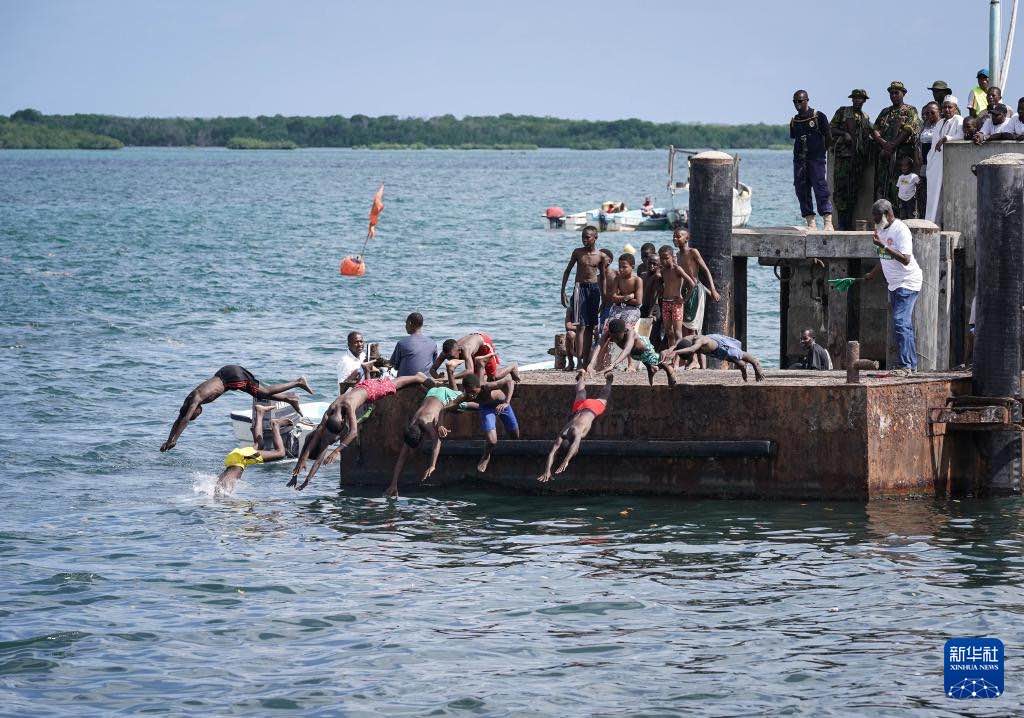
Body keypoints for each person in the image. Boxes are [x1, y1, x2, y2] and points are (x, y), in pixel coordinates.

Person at [289, 372, 432, 490]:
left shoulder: (347, 405)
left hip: (370, 390)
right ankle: (413, 377)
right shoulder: (330, 411)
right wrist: (301, 465)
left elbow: (353, 433)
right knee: (392, 383)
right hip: (361, 386)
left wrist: (336, 451)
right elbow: (316, 436)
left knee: (393, 384)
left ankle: (417, 377)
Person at [160, 366, 311, 452]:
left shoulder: (195, 400)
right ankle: (289, 399)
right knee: (257, 393)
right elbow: (179, 419)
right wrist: (168, 440)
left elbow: (185, 420)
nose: (197, 415)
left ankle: (298, 382)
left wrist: (175, 440)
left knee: (262, 393)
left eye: (196, 415)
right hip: (225, 373)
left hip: (231, 379)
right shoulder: (188, 402)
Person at [859, 199, 922, 374]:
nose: (875, 221)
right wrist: (872, 273)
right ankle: (910, 364)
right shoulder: (881, 229)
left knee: (900, 322)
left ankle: (906, 365)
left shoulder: (901, 230)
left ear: (887, 214)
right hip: (894, 284)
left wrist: (883, 245)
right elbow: (884, 257)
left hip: (907, 281)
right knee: (903, 324)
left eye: (878, 217)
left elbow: (905, 259)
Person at [386, 379, 473, 497]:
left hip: (443, 394)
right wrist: (393, 484)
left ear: (421, 435)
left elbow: (437, 442)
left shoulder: (424, 422)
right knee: (455, 400)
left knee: (466, 405)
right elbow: (402, 457)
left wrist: (432, 465)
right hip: (432, 392)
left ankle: (491, 403)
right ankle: (451, 377)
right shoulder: (412, 428)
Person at [538, 370, 613, 483]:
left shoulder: (575, 432)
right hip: (579, 408)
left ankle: (609, 382)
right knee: (580, 393)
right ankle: (581, 377)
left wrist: (566, 460)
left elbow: (574, 447)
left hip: (592, 409)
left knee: (603, 398)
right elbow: (552, 452)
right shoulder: (563, 433)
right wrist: (547, 470)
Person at [560, 225, 608, 366]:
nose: (584, 240)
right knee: (580, 326)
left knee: (590, 327)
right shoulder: (577, 252)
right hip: (578, 288)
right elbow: (567, 271)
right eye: (583, 237)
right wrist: (562, 291)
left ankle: (586, 360)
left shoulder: (600, 256)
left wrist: (604, 298)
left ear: (595, 237)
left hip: (593, 289)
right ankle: (579, 361)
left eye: (587, 237)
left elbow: (603, 278)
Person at [217, 407, 293, 495]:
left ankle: (275, 425)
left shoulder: (225, 489)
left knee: (280, 453)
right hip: (233, 458)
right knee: (258, 445)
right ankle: (259, 412)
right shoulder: (220, 486)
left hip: (241, 459)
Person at [830, 89, 875, 230]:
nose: (857, 100)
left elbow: (872, 133)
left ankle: (848, 224)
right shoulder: (843, 112)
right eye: (855, 98)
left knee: (853, 193)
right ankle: (842, 225)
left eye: (860, 98)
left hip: (858, 161)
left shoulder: (865, 117)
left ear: (864, 100)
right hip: (843, 159)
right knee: (840, 191)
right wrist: (844, 134)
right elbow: (831, 129)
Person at [871, 81, 921, 206]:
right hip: (885, 154)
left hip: (901, 156)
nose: (893, 95)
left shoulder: (910, 110)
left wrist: (893, 145)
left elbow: (909, 129)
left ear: (903, 93)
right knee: (883, 186)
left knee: (899, 189)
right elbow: (875, 129)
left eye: (896, 93)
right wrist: (884, 143)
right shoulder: (885, 112)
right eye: (891, 93)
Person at [790, 90, 834, 230]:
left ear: (807, 100)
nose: (797, 104)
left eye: (800, 101)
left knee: (820, 187)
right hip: (800, 160)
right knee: (801, 189)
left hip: (816, 159)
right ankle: (811, 221)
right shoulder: (794, 121)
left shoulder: (819, 116)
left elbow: (828, 137)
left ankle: (827, 221)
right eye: (795, 101)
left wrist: (821, 152)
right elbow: (794, 138)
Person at [460, 373, 519, 474]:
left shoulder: (487, 387)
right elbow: (452, 403)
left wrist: (507, 402)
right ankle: (486, 456)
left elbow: (509, 380)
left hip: (502, 405)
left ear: (479, 387)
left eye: (473, 392)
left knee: (515, 435)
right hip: (486, 408)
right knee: (492, 441)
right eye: (468, 392)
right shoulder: (467, 394)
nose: (472, 395)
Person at [587, 318, 674, 385]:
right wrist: (591, 364)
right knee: (648, 365)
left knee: (658, 362)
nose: (614, 339)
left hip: (644, 349)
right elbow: (599, 346)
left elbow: (627, 350)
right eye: (613, 337)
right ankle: (650, 369)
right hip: (635, 354)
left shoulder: (630, 332)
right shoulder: (608, 333)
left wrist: (613, 365)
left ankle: (669, 369)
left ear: (624, 332)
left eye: (617, 337)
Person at [673, 228, 720, 353]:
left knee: (693, 326)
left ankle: (695, 358)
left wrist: (713, 289)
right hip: (684, 292)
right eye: (674, 236)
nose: (675, 239)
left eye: (678, 237)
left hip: (696, 291)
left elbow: (705, 270)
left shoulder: (693, 252)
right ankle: (688, 356)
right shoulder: (676, 256)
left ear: (686, 239)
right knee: (684, 325)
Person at [661, 335, 766, 383]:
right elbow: (673, 347)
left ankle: (755, 363)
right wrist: (665, 352)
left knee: (738, 354)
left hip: (720, 346)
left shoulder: (699, 342)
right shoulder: (683, 341)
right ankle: (743, 368)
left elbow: (692, 349)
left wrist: (675, 352)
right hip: (714, 351)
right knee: (734, 360)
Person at [926, 97, 965, 223]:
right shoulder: (940, 122)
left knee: (943, 195)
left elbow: (961, 136)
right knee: (933, 195)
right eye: (945, 107)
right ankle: (930, 223)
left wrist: (945, 138)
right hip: (935, 162)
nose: (947, 110)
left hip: (948, 161)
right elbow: (933, 145)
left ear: (955, 108)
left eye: (950, 107)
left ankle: (937, 223)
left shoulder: (959, 120)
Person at [655, 244, 696, 360]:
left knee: (678, 333)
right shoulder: (663, 271)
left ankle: (677, 359)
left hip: (676, 303)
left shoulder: (677, 269)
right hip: (665, 302)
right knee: (669, 332)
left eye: (666, 258)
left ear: (673, 257)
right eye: (661, 258)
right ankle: (671, 358)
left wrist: (685, 299)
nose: (664, 260)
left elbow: (692, 284)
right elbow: (662, 284)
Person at [430, 333, 520, 382]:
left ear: (459, 350)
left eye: (452, 357)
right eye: (448, 357)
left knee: (493, 377)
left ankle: (513, 366)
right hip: (474, 349)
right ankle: (485, 369)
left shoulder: (466, 349)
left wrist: (451, 377)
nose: (450, 359)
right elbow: (432, 369)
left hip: (484, 346)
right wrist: (437, 376)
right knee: (475, 377)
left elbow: (469, 371)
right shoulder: (445, 353)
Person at [389, 312, 438, 377]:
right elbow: (434, 365)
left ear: (410, 323)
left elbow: (395, 366)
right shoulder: (433, 343)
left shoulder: (402, 343)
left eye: (406, 323)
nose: (405, 326)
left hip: (406, 383)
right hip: (425, 382)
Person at [916, 101, 939, 218]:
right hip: (924, 164)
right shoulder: (924, 125)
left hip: (936, 165)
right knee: (923, 193)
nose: (929, 115)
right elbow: (918, 142)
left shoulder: (941, 125)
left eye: (932, 112)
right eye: (926, 113)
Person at [607, 253, 643, 327]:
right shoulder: (617, 279)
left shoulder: (637, 280)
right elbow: (613, 298)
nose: (621, 269)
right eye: (619, 267)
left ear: (632, 267)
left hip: (632, 309)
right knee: (610, 327)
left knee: (624, 328)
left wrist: (619, 298)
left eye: (624, 267)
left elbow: (638, 301)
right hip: (617, 308)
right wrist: (628, 297)